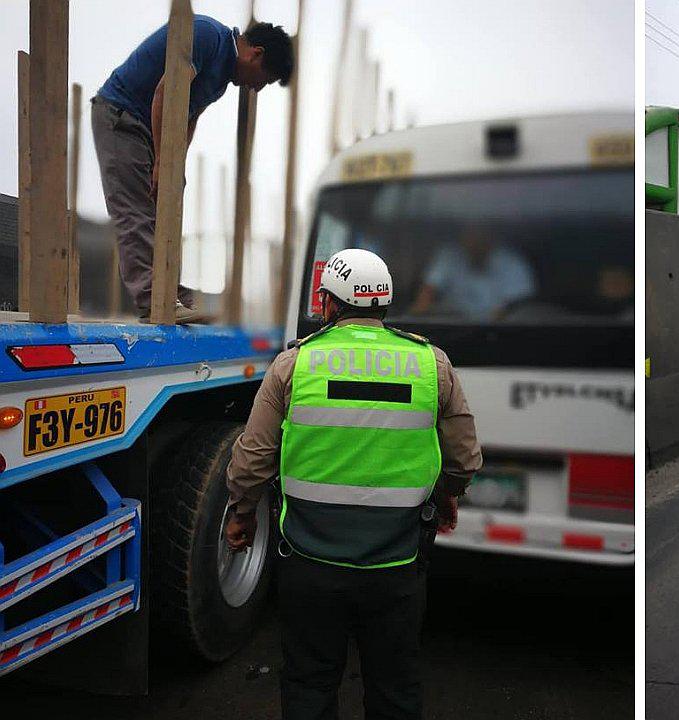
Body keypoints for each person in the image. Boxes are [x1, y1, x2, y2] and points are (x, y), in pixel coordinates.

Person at [223, 248, 482, 719]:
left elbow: (253, 459)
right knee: (395, 684)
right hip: (398, 562)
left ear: (327, 303)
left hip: (308, 561)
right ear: (382, 304)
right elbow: (465, 458)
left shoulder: (293, 365)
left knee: (309, 681)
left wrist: (242, 513)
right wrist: (447, 495)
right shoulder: (431, 364)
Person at [92, 17, 294, 322]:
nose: (256, 89)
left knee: (164, 206)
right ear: (256, 54)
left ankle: (167, 288)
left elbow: (187, 116)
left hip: (147, 128)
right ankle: (153, 299)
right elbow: (166, 93)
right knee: (135, 209)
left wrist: (176, 164)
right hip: (121, 116)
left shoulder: (221, 80)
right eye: (263, 80)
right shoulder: (207, 37)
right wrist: (162, 160)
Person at [409, 227, 536, 319]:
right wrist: (415, 321)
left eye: (480, 235)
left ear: (491, 238)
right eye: (470, 234)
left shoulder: (512, 262)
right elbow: (427, 293)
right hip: (451, 327)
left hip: (499, 333)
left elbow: (515, 307)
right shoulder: (449, 255)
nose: (475, 241)